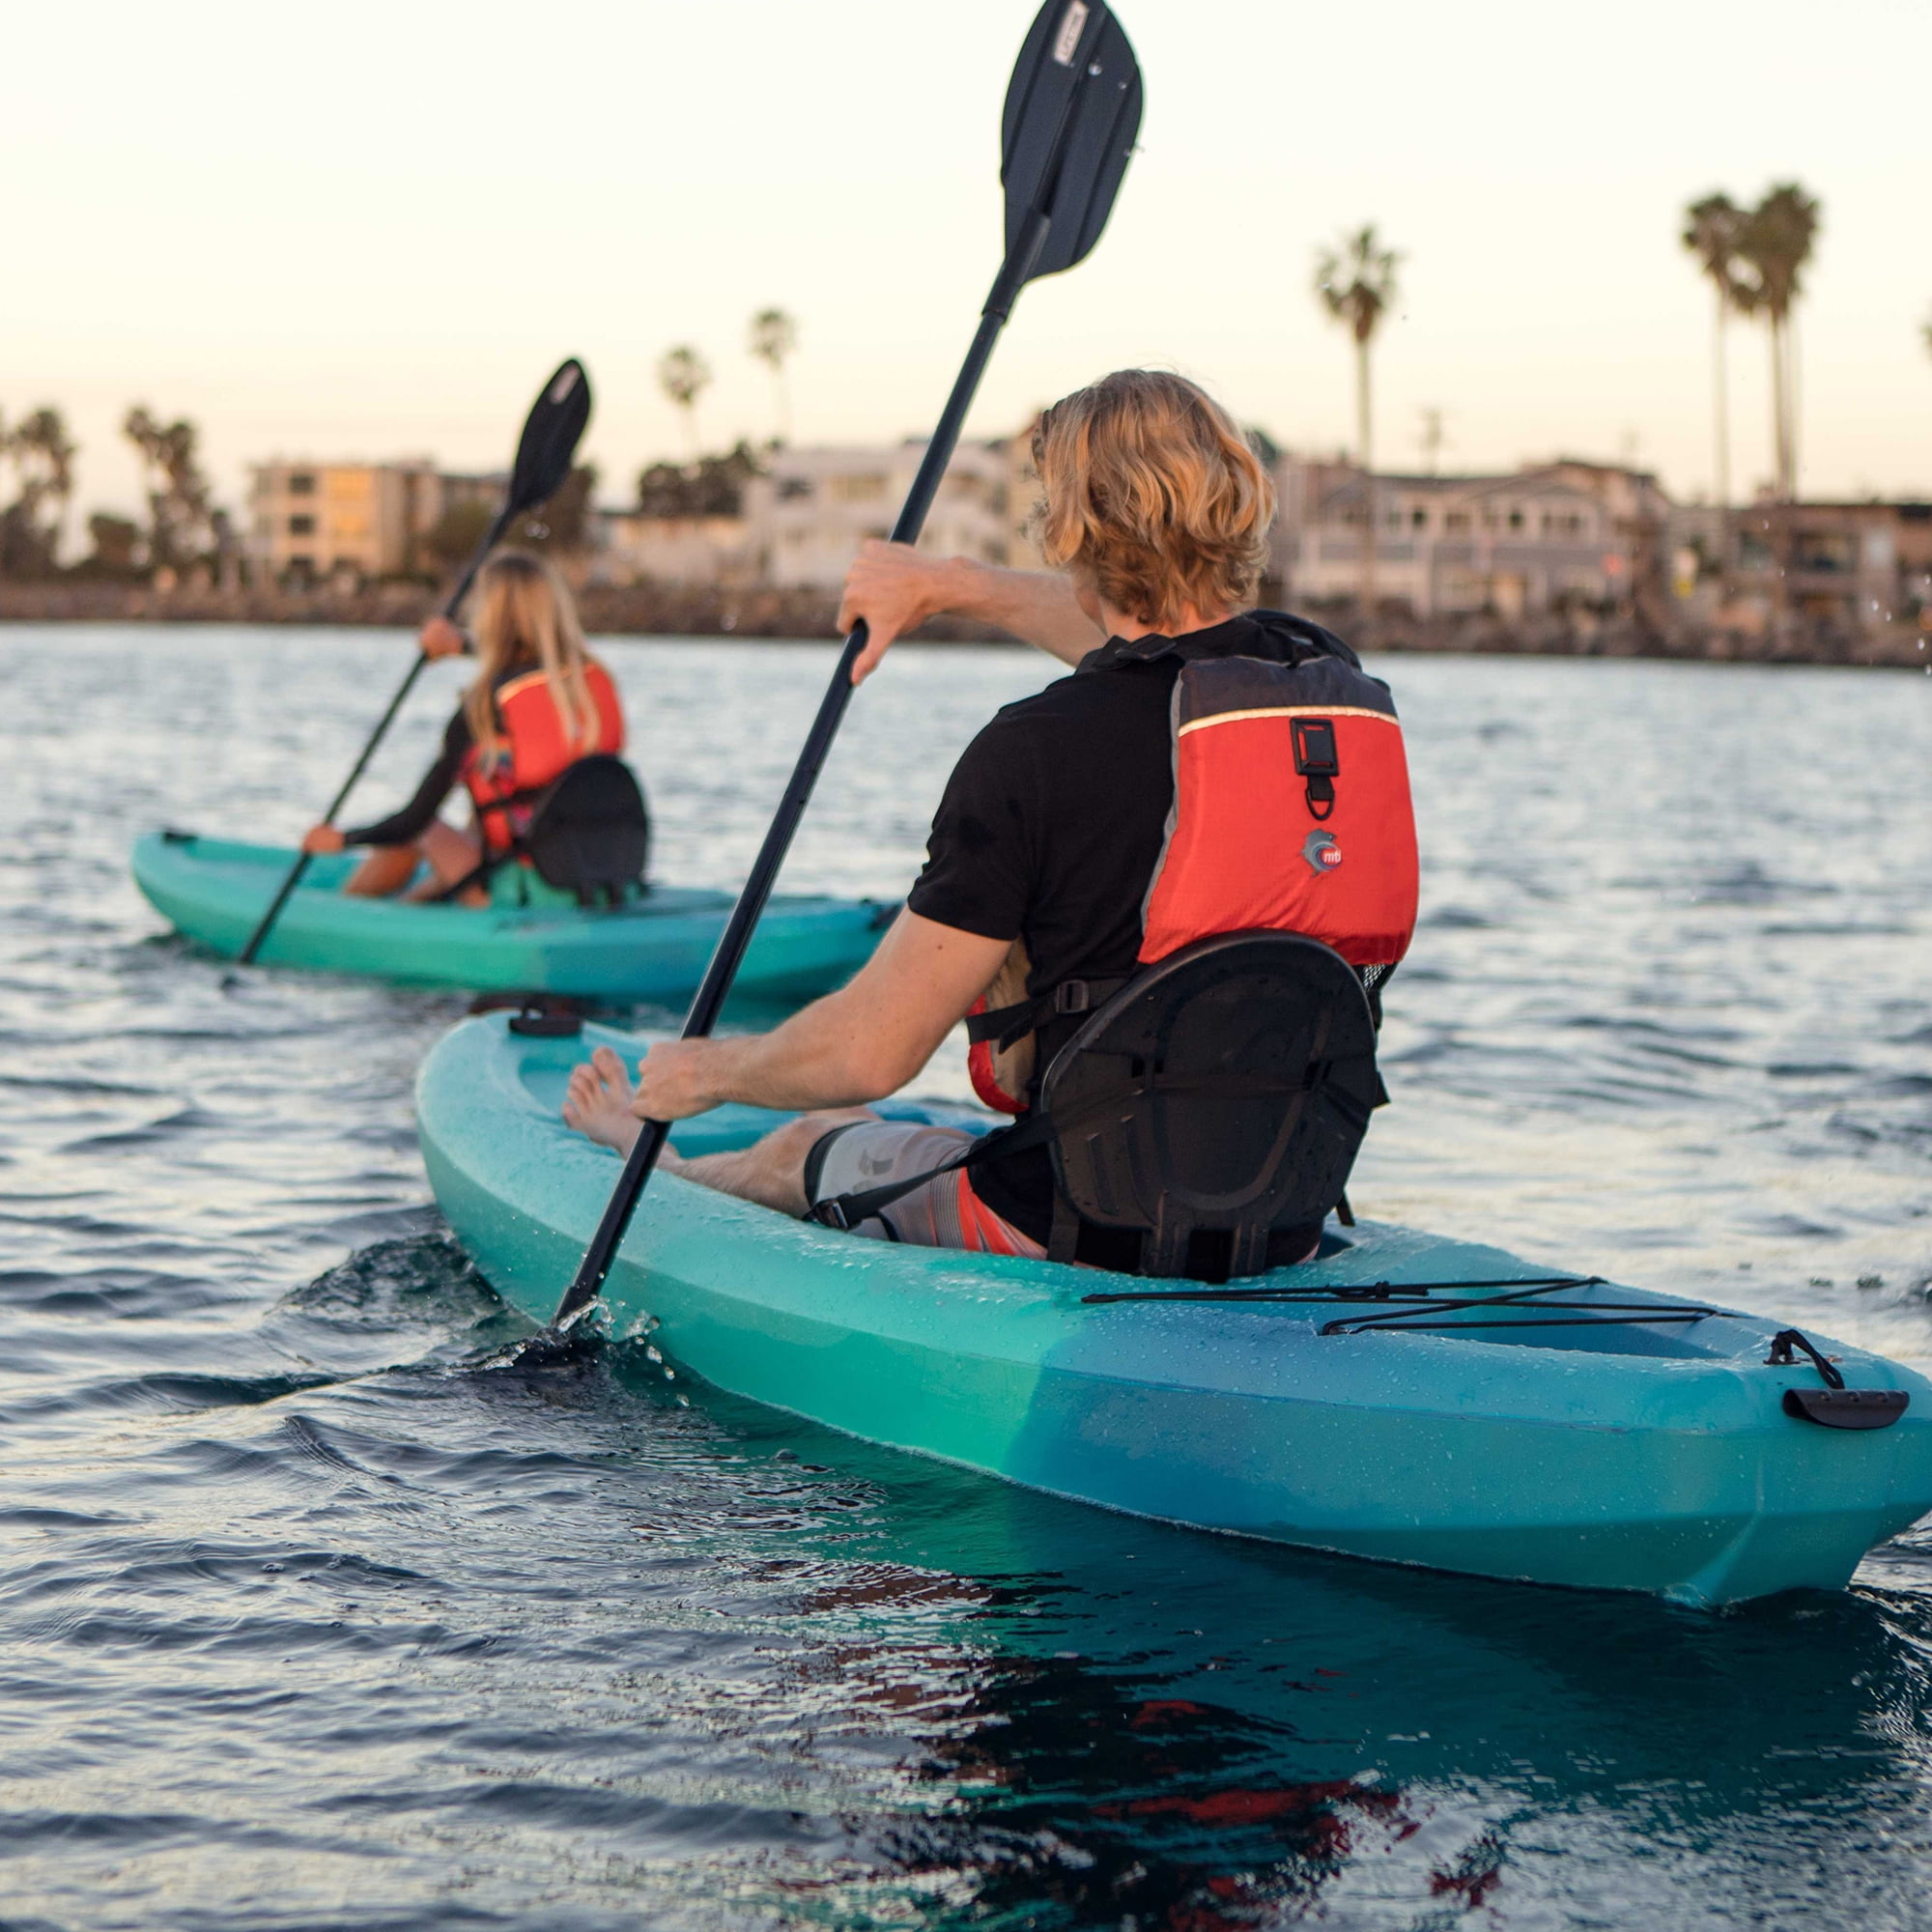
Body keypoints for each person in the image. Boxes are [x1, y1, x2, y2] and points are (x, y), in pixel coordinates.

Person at [562, 369, 1414, 1274]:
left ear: (1068, 528)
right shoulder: (1319, 687)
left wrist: (706, 1072)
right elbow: (1162, 651)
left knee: (805, 1141)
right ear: (1237, 500)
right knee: (863, 1124)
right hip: (1283, 1209)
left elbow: (871, 1050)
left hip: (1078, 1222)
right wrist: (945, 586)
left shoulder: (1032, 751)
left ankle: (656, 1167)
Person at [302, 549, 625, 905]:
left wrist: (343, 840)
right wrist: (460, 645)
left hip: (527, 890)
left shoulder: (483, 708)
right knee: (481, 819)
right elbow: (531, 658)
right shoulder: (593, 679)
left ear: (488, 616)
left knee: (426, 831)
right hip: (604, 876)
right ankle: (408, 907)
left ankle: (344, 913)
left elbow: (414, 819)